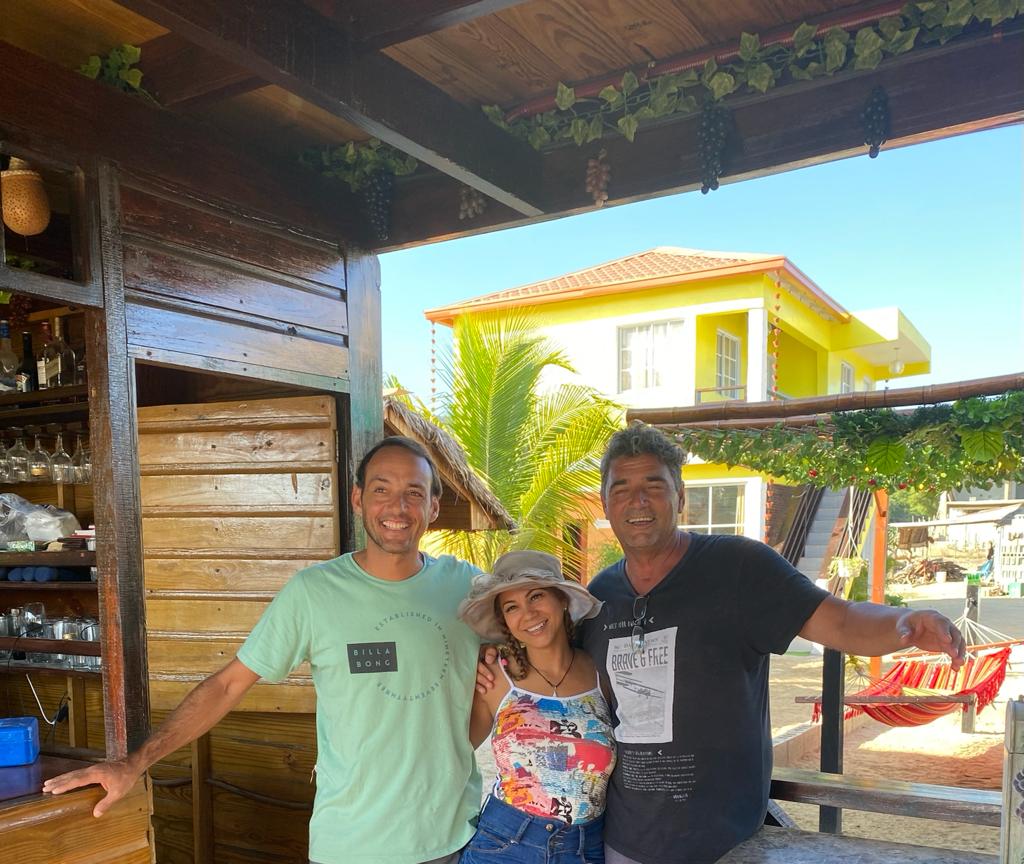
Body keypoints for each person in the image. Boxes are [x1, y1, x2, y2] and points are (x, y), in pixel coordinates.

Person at [44, 436, 482, 864]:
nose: (398, 508)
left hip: (458, 839)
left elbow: (537, 640)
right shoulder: (314, 593)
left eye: (414, 493)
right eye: (382, 489)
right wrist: (134, 763)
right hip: (355, 843)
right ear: (357, 498)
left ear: (433, 507)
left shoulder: (466, 588)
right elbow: (229, 686)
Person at [581, 422, 968, 864]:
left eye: (654, 484)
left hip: (727, 842)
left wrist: (904, 621)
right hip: (625, 839)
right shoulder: (599, 596)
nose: (638, 500)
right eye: (621, 488)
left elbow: (838, 620)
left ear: (680, 496)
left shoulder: (738, 568)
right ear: (605, 504)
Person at [459, 550, 614, 864]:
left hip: (585, 849)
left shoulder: (601, 672)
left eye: (537, 596)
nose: (527, 614)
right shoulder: (495, 675)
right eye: (512, 607)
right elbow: (454, 748)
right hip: (505, 844)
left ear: (563, 600)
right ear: (505, 622)